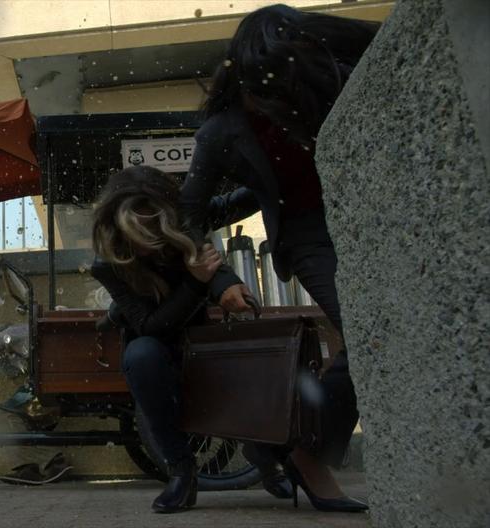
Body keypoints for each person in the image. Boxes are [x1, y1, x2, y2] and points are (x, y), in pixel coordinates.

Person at [179, 4, 378, 512]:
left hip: (368, 220)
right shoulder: (220, 133)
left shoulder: (320, 89)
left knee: (378, 339)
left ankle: (279, 438)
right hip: (309, 237)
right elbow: (188, 218)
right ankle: (308, 454)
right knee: (369, 335)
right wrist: (220, 276)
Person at [91, 165, 276, 513]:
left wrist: (275, 166)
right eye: (137, 230)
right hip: (157, 345)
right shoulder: (108, 262)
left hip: (204, 337)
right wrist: (196, 282)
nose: (149, 241)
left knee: (252, 362)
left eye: (154, 227)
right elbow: (150, 326)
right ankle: (181, 470)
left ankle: (268, 452)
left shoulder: (186, 219)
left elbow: (243, 199)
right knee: (141, 353)